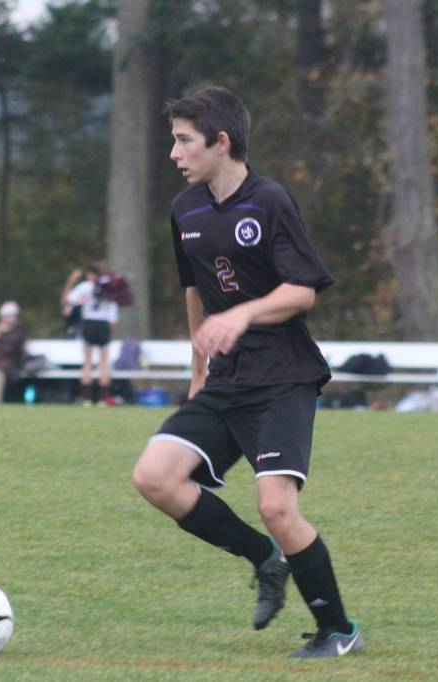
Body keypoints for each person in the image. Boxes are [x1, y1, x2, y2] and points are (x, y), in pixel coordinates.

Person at [131, 87, 362, 659]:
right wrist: (198, 368)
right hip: (224, 381)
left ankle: (338, 631)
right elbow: (194, 290)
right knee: (155, 477)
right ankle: (264, 558)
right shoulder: (184, 209)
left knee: (278, 506)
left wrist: (242, 315)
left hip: (283, 378)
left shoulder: (270, 202)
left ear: (221, 142)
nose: (174, 153)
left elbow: (302, 291)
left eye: (185, 141)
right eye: (174, 140)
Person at [61, 262, 119, 405]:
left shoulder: (84, 287)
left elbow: (67, 300)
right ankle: (102, 399)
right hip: (103, 324)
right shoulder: (109, 288)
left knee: (87, 363)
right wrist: (108, 328)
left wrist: (71, 280)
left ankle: (86, 399)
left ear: (90, 275)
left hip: (89, 323)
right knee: (104, 363)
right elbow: (114, 316)